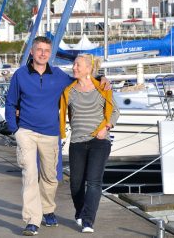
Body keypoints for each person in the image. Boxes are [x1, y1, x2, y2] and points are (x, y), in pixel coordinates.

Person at [5, 37, 110, 236]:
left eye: (46, 50)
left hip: (51, 133)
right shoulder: (20, 75)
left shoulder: (59, 75)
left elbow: (81, 80)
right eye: (39, 50)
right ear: (32, 52)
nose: (43, 54)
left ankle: (48, 209)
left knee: (50, 177)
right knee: (29, 174)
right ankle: (32, 221)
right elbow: (10, 103)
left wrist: (102, 77)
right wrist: (14, 130)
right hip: (26, 131)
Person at [59, 54, 119, 234]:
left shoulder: (102, 88)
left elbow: (115, 110)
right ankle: (80, 211)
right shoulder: (69, 91)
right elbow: (58, 110)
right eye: (74, 64)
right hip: (77, 141)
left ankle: (88, 221)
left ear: (88, 68)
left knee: (93, 182)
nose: (74, 67)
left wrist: (106, 127)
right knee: (76, 183)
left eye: (78, 65)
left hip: (99, 141)